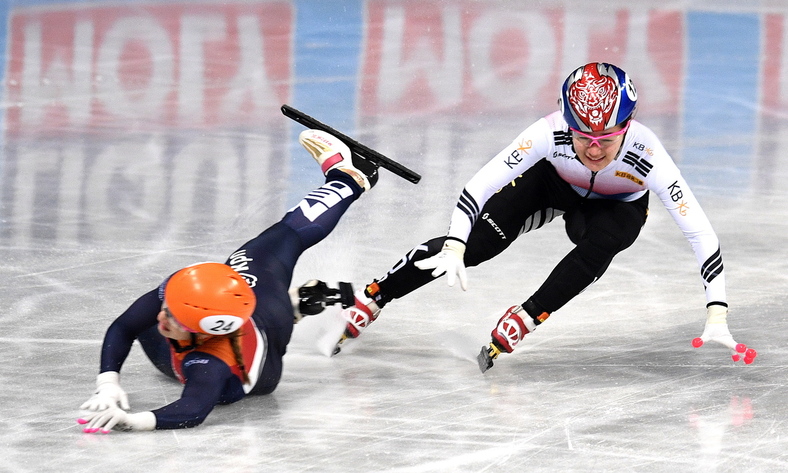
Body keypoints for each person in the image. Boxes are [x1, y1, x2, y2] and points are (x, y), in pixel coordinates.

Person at [335, 62, 757, 371]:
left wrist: (716, 309)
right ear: (565, 121)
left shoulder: (649, 155)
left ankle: (527, 315)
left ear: (628, 126)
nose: (594, 149)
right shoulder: (547, 132)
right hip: (552, 185)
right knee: (477, 245)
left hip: (613, 208)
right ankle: (375, 295)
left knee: (609, 238)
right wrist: (455, 241)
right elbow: (477, 187)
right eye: (583, 136)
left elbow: (700, 233)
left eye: (606, 139)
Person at [78, 128, 379, 432]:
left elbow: (192, 410)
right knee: (280, 239)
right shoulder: (180, 296)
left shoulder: (212, 362)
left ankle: (292, 307)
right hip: (250, 302)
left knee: (271, 292)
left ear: (203, 332)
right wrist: (107, 382)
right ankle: (349, 179)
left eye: (174, 317)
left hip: (262, 361)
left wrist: (133, 421)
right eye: (169, 307)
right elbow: (123, 325)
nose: (162, 315)